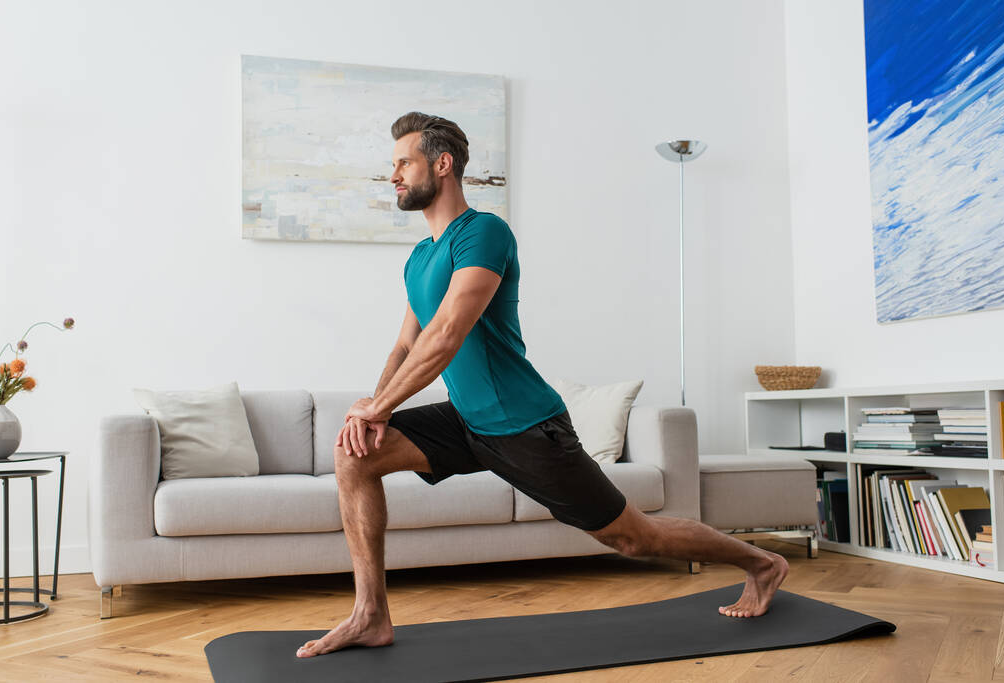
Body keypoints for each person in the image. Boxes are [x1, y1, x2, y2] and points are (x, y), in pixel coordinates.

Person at [295, 112, 788, 659]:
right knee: (355, 456)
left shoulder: (484, 233)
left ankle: (762, 562)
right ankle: (370, 615)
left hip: (525, 424)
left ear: (443, 164)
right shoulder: (419, 258)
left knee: (630, 538)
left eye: (402, 163)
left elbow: (447, 335)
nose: (393, 175)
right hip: (467, 419)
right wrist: (373, 409)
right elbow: (406, 345)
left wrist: (378, 408)